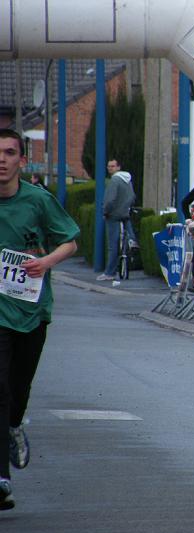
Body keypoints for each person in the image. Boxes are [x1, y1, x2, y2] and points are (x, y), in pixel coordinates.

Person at [0, 128, 80, 511]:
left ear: (22, 160)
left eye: (9, 152)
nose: (1, 160)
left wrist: (46, 262)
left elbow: (70, 241)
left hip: (31, 311)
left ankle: (15, 425)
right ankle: (2, 478)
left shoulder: (37, 200)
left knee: (18, 388)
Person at [96, 158, 137, 281]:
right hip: (125, 213)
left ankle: (110, 272)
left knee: (112, 245)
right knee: (127, 225)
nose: (110, 168)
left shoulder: (114, 180)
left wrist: (105, 211)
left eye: (112, 166)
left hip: (113, 215)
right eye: (109, 166)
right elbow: (132, 196)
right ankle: (131, 240)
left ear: (118, 167)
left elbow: (110, 200)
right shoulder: (128, 180)